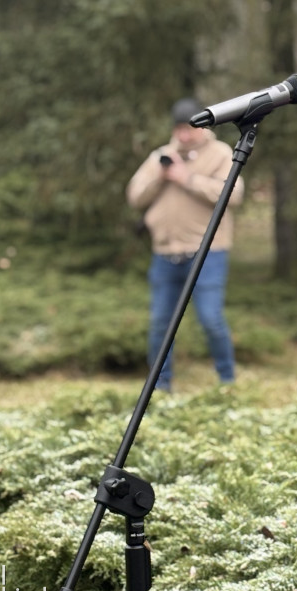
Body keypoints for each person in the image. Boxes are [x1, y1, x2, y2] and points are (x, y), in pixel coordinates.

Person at [126, 97, 242, 390]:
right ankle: (160, 386)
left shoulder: (220, 153)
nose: (184, 135)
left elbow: (232, 194)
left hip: (208, 253)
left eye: (189, 128)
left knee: (211, 319)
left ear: (203, 126)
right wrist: (162, 175)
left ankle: (227, 382)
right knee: (160, 324)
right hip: (165, 254)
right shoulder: (161, 156)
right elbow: (135, 196)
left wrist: (186, 178)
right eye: (178, 129)